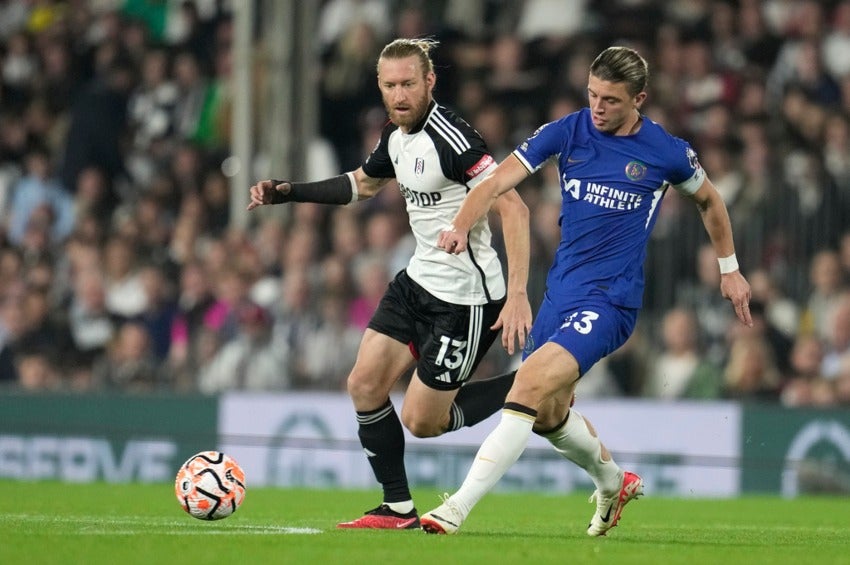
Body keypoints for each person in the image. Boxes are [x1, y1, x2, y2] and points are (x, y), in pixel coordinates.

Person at [420, 46, 753, 536]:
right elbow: (492, 183)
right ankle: (613, 482)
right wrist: (460, 226)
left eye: (611, 101)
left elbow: (709, 200)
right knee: (547, 412)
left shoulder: (665, 151)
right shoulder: (567, 130)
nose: (597, 107)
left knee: (526, 385)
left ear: (639, 98)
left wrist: (730, 269)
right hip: (561, 294)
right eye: (592, 95)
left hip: (611, 301)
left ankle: (458, 507)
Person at [248, 38, 532, 529]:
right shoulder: (396, 137)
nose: (399, 95)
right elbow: (363, 183)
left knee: (422, 421)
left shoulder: (456, 140)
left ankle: (531, 388)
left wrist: (520, 294)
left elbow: (515, 206)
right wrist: (289, 192)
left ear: (430, 82)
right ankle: (397, 506)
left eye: (408, 84)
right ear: (380, 86)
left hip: (466, 300)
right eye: (390, 85)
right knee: (363, 384)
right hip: (418, 282)